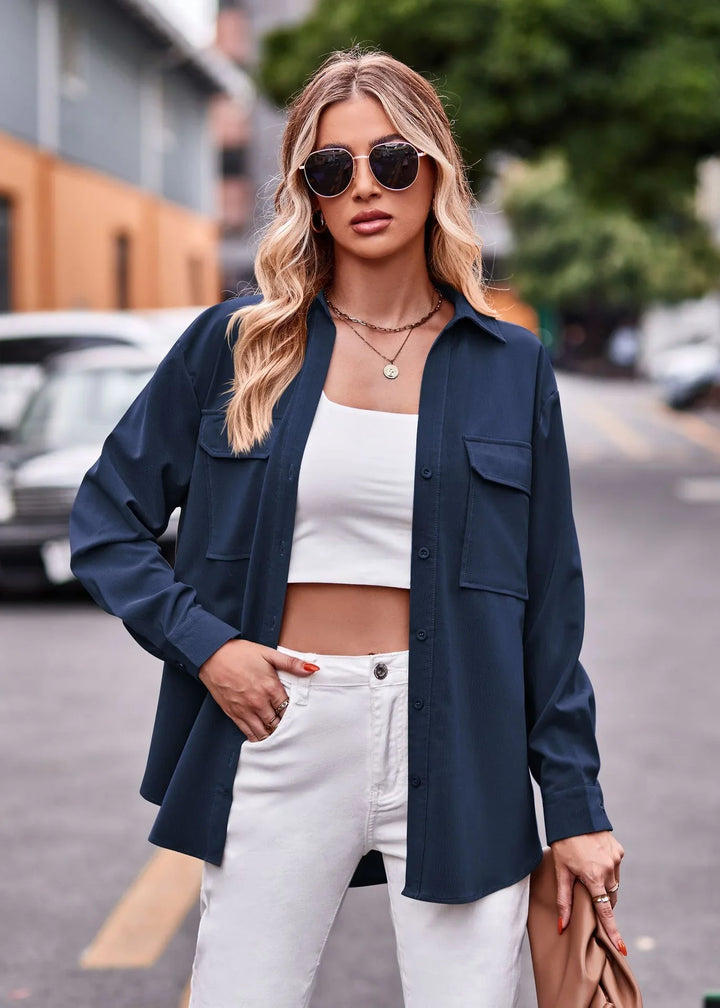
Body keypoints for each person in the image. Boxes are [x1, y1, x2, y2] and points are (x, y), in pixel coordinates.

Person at [69, 48, 625, 1008]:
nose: (365, 186)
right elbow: (105, 521)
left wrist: (574, 805)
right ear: (307, 195)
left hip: (465, 737)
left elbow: (549, 606)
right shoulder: (240, 347)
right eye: (332, 169)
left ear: (436, 171)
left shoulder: (510, 364)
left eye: (392, 160)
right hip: (280, 719)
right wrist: (211, 651)